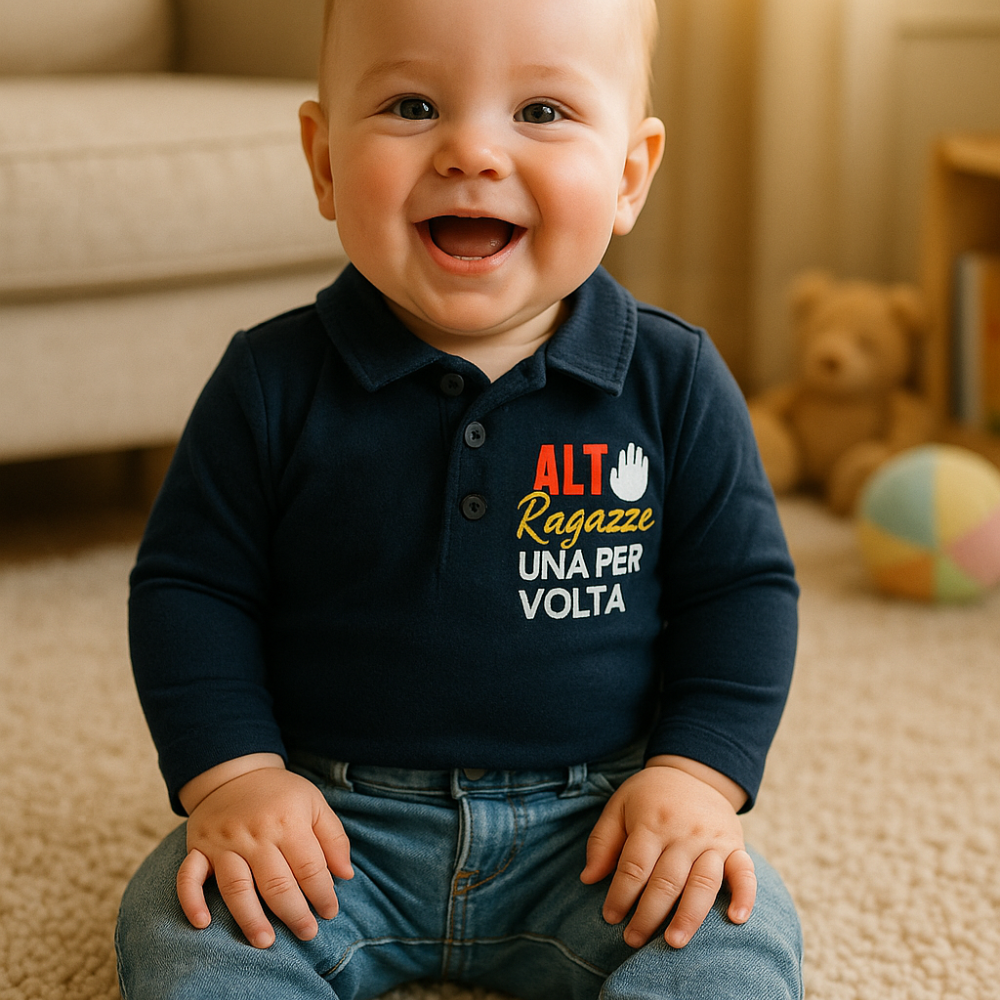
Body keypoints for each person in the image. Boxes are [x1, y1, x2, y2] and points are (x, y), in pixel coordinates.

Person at [115, 0, 804, 996]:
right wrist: (236, 778)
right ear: (324, 161)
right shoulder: (268, 382)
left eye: (541, 112)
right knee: (186, 920)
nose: (472, 152)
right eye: (412, 105)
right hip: (326, 826)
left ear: (628, 175)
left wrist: (694, 779)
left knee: (732, 925)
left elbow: (740, 592)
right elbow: (190, 589)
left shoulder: (675, 380)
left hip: (597, 830)